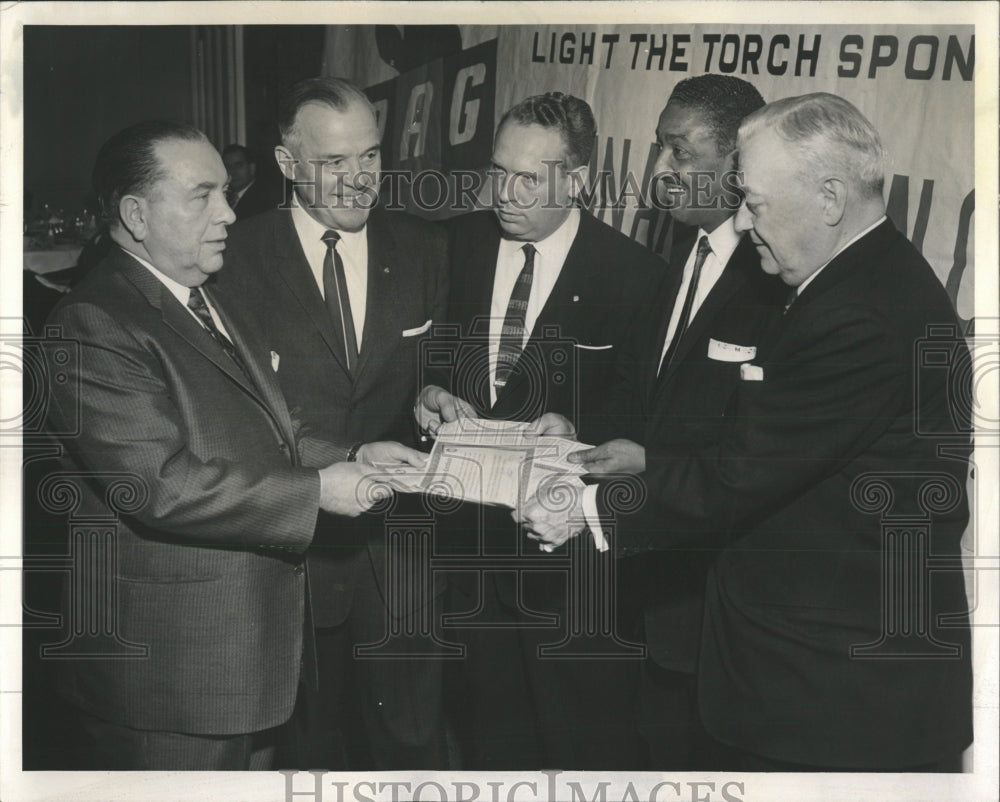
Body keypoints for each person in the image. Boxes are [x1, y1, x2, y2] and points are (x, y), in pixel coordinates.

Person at [518, 92, 973, 771]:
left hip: (837, 694)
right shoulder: (855, 280)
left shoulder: (860, 315)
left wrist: (585, 507)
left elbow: (738, 474)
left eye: (755, 204)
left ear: (828, 198)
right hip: (811, 674)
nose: (743, 221)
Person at [42, 120, 422, 770]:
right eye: (202, 196)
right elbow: (161, 485)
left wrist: (350, 457)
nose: (227, 213)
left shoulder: (212, 295)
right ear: (136, 214)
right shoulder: (92, 323)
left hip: (249, 662)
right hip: (171, 679)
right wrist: (318, 493)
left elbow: (271, 428)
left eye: (226, 193)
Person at [415, 91, 663, 769]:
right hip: (467, 558)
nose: (503, 192)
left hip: (570, 575)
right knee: (488, 742)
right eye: (497, 171)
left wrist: (582, 426)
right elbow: (417, 360)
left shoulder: (636, 276)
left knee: (577, 746)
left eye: (527, 178)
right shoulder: (455, 244)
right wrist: (427, 392)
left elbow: (650, 416)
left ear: (576, 180)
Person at [214, 77, 449, 769]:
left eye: (370, 158)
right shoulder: (231, 260)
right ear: (287, 165)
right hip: (291, 550)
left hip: (400, 553)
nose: (358, 182)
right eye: (334, 163)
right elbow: (234, 417)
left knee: (411, 741)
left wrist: (436, 392)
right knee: (303, 748)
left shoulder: (425, 247)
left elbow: (433, 369)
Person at [553, 74, 783, 770]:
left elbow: (752, 450)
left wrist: (645, 464)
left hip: (715, 609)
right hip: (653, 590)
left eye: (678, 154)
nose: (660, 174)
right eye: (659, 150)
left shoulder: (774, 274)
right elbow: (647, 395)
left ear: (738, 165)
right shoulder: (690, 250)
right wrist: (574, 427)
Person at [221, 144, 281, 220]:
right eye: (228, 166)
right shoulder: (226, 197)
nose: (232, 172)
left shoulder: (264, 200)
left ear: (252, 168)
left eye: (238, 165)